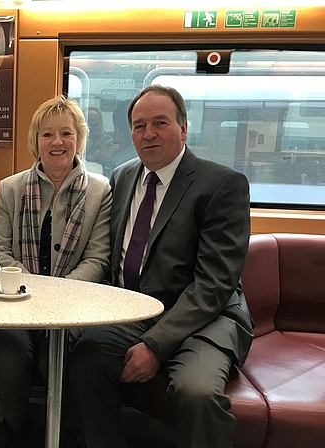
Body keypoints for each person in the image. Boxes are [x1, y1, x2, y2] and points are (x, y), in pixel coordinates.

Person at [68, 85, 254, 448]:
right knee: (84, 359)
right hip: (135, 310)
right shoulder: (122, 177)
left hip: (205, 319)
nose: (148, 133)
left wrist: (155, 345)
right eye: (139, 125)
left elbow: (214, 283)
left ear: (183, 129)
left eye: (160, 122)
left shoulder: (220, 185)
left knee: (196, 393)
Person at [0, 96, 112, 448]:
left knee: (55, 359)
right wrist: (28, 289)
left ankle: (64, 433)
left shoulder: (101, 191)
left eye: (66, 133)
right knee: (8, 352)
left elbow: (98, 259)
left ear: (79, 139)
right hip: (17, 306)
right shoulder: (11, 187)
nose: (57, 142)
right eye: (47, 134)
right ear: (35, 141)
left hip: (72, 309)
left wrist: (58, 296)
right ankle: (16, 429)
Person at [83, 106, 114, 177]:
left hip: (103, 172)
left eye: (95, 122)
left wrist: (100, 138)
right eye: (90, 122)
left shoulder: (107, 138)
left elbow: (105, 158)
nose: (92, 125)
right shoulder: (79, 138)